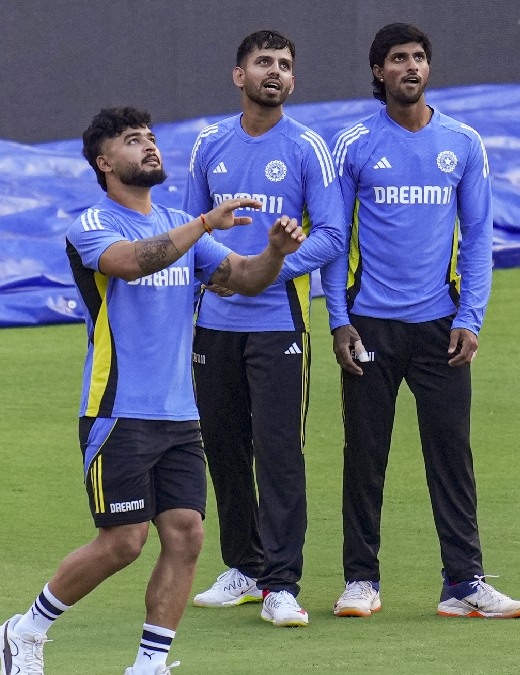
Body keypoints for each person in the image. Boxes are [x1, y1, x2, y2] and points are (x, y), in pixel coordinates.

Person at [0, 106, 304, 675]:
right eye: (134, 140)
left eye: (152, 137)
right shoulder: (93, 226)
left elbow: (244, 278)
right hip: (117, 410)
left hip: (179, 415)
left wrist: (276, 254)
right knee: (124, 542)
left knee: (186, 536)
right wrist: (204, 224)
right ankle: (25, 630)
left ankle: (149, 664)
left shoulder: (179, 222)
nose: (150, 146)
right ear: (105, 162)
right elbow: (132, 263)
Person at [323, 22, 520, 620]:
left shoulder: (462, 143)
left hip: (442, 327)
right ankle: (360, 581)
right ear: (378, 71)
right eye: (398, 58)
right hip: (369, 325)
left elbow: (479, 239)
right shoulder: (355, 143)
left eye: (418, 57)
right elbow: (334, 239)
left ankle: (463, 583)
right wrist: (338, 320)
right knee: (365, 457)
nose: (410, 66)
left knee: (451, 455)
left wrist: (472, 317)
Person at [183, 29, 345, 628]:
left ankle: (281, 584)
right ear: (239, 75)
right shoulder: (209, 144)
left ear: (292, 81)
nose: (274, 72)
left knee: (278, 454)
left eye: (284, 65)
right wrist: (219, 275)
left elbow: (332, 233)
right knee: (224, 448)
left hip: (280, 324)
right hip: (214, 324)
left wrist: (264, 270)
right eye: (263, 62)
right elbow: (191, 228)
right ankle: (244, 569)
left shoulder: (307, 147)